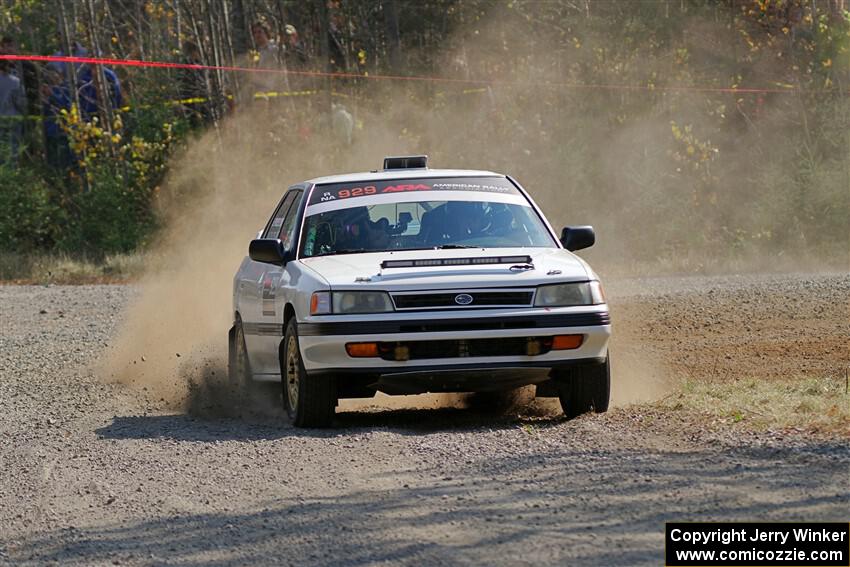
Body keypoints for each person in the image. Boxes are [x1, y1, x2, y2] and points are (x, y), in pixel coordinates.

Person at [0, 59, 25, 167]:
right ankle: (13, 172)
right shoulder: (15, 82)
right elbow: (20, 102)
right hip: (12, 118)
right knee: (13, 147)